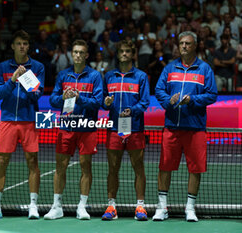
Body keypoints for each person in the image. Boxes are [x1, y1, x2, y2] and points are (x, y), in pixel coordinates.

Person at [153, 31, 218, 222]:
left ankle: (190, 208)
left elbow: (212, 94)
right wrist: (168, 100)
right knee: (165, 167)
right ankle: (162, 207)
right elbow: (159, 90)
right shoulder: (170, 68)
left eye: (188, 44)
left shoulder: (204, 69)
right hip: (172, 126)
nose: (184, 46)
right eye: (181, 43)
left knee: (195, 169)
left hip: (195, 127)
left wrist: (192, 100)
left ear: (195, 46)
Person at [0, 30, 45, 220]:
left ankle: (33, 206)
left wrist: (26, 78)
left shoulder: (37, 67)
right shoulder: (3, 67)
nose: (22, 47)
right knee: (2, 162)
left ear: (28, 46)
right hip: (8, 120)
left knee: (32, 162)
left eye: (25, 44)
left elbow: (37, 94)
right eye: (18, 43)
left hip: (28, 121)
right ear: (13, 46)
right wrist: (12, 79)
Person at [44, 39, 103, 220]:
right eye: (75, 52)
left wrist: (80, 99)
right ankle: (56, 206)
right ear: (72, 54)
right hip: (66, 127)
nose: (77, 55)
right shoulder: (63, 75)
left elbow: (98, 103)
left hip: (87, 127)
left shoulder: (95, 76)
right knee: (60, 166)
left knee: (86, 167)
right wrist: (62, 97)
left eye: (81, 52)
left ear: (86, 55)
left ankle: (82, 207)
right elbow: (52, 100)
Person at [101, 40, 150, 221]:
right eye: (121, 51)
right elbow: (104, 101)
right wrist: (105, 103)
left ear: (133, 54)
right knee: (113, 168)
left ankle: (140, 206)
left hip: (135, 129)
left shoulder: (141, 77)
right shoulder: (109, 76)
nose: (124, 54)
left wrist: (132, 111)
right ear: (117, 53)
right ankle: (112, 206)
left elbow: (144, 102)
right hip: (114, 128)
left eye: (127, 51)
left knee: (138, 168)